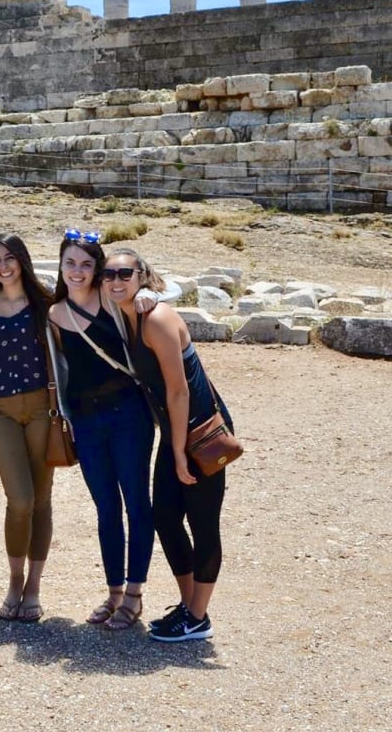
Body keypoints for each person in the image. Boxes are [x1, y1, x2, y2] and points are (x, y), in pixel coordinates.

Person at [104, 247, 232, 643]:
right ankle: (190, 607)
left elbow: (178, 393)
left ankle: (197, 617)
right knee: (165, 517)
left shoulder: (155, 319)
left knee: (202, 522)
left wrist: (178, 453)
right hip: (176, 431)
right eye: (108, 274)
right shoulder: (126, 314)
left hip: (199, 430)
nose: (116, 281)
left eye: (125, 273)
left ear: (141, 274)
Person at [47, 229, 154, 631]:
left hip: (128, 413)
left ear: (98, 268)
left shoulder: (115, 298)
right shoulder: (55, 314)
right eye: (70, 263)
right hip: (87, 421)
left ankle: (135, 593)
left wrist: (150, 296)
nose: (78, 271)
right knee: (106, 509)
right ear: (60, 265)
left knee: (136, 504)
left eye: (87, 264)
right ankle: (113, 592)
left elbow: (158, 288)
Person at [0, 233, 56, 622]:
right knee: (19, 499)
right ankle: (14, 581)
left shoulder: (46, 303)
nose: (3, 266)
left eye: (9, 258)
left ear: (22, 259)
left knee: (41, 499)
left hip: (41, 408)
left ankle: (34, 586)